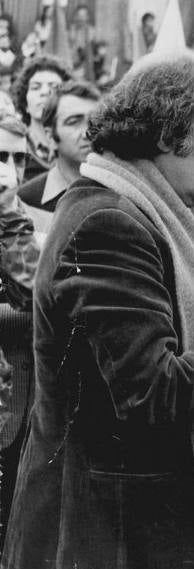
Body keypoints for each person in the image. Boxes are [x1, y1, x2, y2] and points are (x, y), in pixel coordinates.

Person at [1, 50, 194, 569]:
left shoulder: (136, 207)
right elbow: (149, 394)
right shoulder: (109, 223)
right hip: (106, 538)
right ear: (166, 136)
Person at [0, 112, 38, 553]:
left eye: (18, 159)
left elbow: (36, 300)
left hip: (24, 413)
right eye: (0, 156)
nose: (9, 170)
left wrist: (9, 217)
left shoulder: (25, 221)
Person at [17, 80, 100, 227]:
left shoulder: (121, 190)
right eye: (74, 122)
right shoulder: (27, 199)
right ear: (50, 137)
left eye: (95, 121)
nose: (87, 132)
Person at [10, 56, 72, 181]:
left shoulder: (80, 148)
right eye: (35, 87)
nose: (45, 92)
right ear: (25, 103)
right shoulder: (11, 149)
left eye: (54, 87)